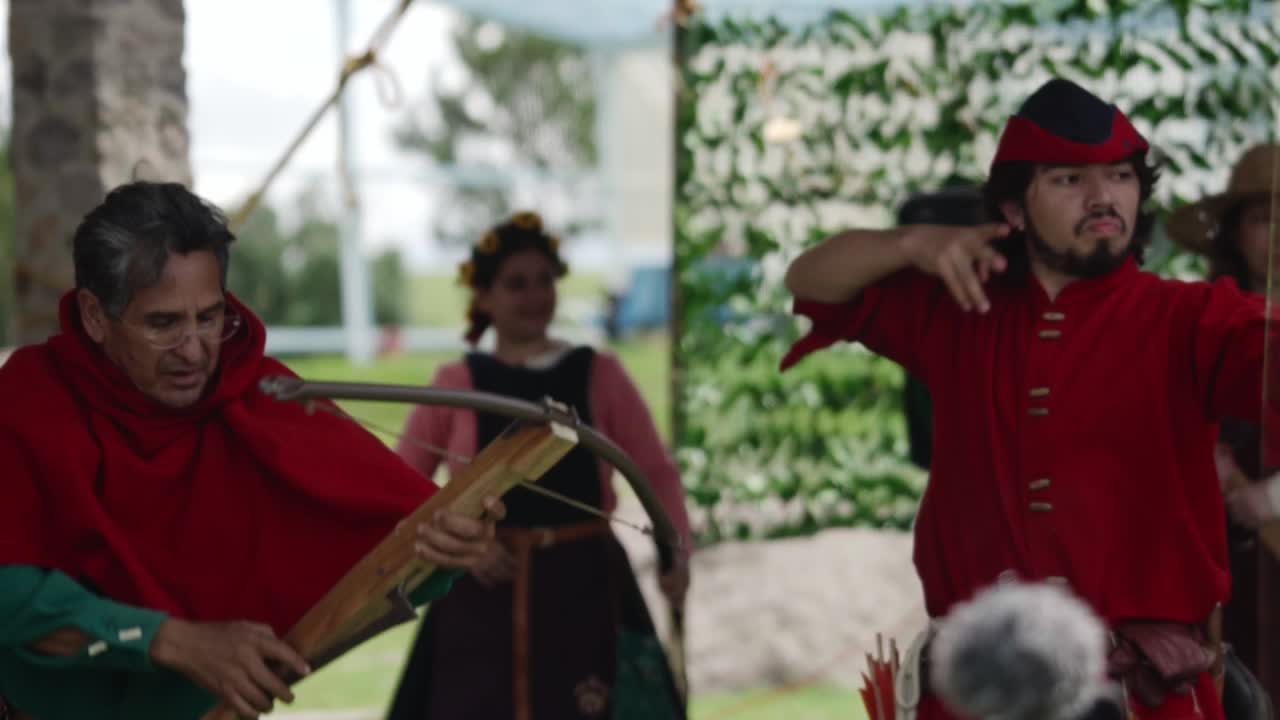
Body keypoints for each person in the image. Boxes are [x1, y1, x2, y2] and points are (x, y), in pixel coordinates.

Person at [780, 77, 1278, 720]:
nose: (1104, 197)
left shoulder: (1192, 318)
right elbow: (811, 279)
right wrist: (908, 244)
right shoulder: (962, 304)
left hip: (1142, 699)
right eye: (1070, 180)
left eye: (1122, 177)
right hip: (973, 698)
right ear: (1014, 208)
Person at [0, 181, 507, 720]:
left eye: (210, 317)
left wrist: (446, 544)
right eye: (163, 323)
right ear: (96, 316)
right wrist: (171, 641)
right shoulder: (33, 399)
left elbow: (387, 544)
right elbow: (10, 591)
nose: (194, 351)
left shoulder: (258, 395)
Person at [385, 210, 693, 720]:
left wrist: (674, 547)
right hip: (476, 601)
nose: (534, 296)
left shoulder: (600, 373)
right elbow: (398, 487)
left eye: (544, 282)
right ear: (484, 297)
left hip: (586, 593)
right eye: (516, 284)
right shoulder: (455, 380)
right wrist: (459, 549)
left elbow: (654, 470)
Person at [1168, 142, 1280, 704]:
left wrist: (1274, 498)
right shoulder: (1203, 320)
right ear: (1235, 233)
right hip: (1222, 575)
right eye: (1264, 218)